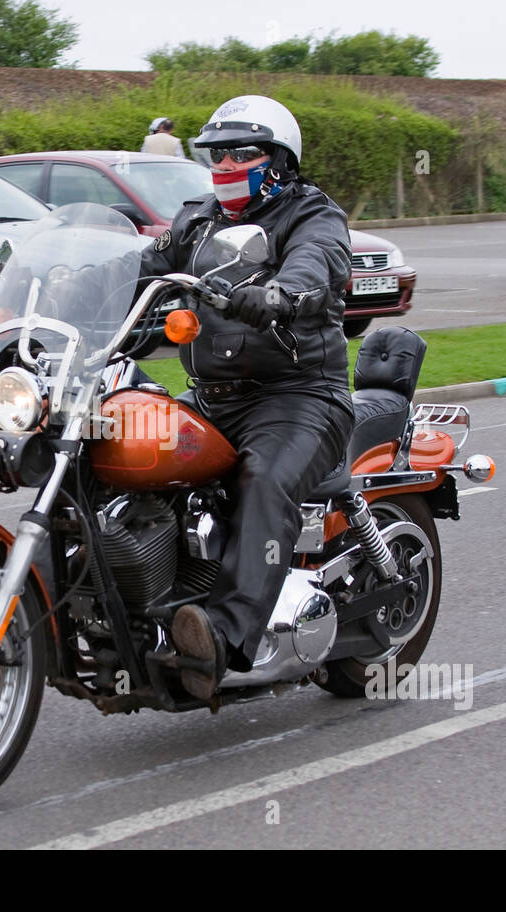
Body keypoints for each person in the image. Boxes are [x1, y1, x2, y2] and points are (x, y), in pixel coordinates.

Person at [135, 95, 355, 700]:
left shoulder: (313, 216)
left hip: (299, 396)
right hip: (213, 396)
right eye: (218, 154)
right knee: (130, 449)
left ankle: (223, 640)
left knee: (262, 479)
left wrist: (282, 294)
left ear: (279, 160)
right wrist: (68, 283)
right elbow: (145, 263)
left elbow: (318, 264)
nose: (226, 164)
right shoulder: (200, 220)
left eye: (242, 152)